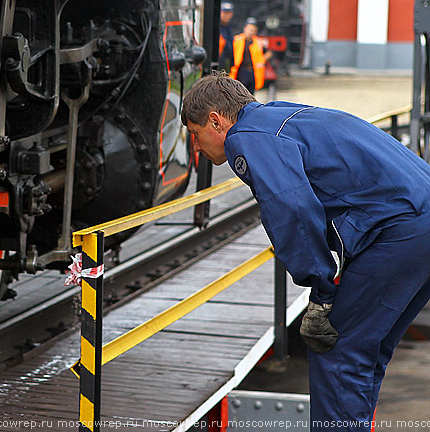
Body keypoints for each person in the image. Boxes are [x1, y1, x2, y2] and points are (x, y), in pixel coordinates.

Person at [180, 74, 430, 432]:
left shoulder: (245, 138)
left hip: (401, 230)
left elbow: (291, 211)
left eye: (195, 133)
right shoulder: (280, 115)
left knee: (338, 351)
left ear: (216, 121)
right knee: (366, 351)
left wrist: (321, 290)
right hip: (418, 220)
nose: (197, 147)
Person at [229, 17, 268, 94]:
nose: (251, 32)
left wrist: (262, 60)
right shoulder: (237, 40)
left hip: (253, 72)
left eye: (253, 30)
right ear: (245, 29)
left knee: (251, 94)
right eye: (250, 29)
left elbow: (268, 52)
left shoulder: (258, 42)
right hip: (241, 71)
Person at [218, 1, 235, 72]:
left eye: (229, 13)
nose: (226, 16)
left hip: (227, 65)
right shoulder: (217, 28)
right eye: (225, 13)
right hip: (218, 63)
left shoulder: (228, 28)